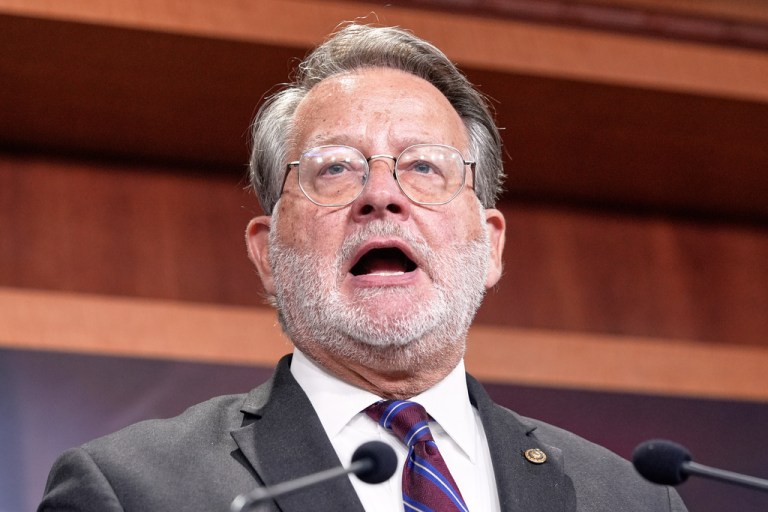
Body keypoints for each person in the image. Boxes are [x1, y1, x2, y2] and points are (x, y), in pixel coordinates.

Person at [38, 23, 687, 511]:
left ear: (489, 246)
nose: (382, 195)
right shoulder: (133, 490)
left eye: (425, 166)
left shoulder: (634, 497)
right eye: (336, 168)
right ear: (268, 254)